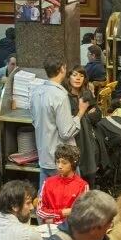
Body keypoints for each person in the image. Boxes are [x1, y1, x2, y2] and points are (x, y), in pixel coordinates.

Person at [31, 54, 88, 190]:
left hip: (43, 155)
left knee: (45, 197)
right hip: (61, 158)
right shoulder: (60, 96)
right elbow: (66, 132)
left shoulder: (36, 92)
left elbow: (34, 121)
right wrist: (80, 112)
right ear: (63, 69)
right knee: (71, 198)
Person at [64, 65, 101, 185]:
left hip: (87, 137)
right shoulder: (65, 97)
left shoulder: (86, 94)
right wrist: (84, 112)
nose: (78, 78)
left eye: (81, 75)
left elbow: (98, 114)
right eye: (74, 75)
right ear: (69, 77)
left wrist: (85, 117)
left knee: (89, 171)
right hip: (73, 137)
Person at [37, 144, 88, 224]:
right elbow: (40, 211)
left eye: (64, 163)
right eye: (57, 162)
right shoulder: (48, 182)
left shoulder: (83, 185)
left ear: (73, 164)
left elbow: (82, 214)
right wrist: (63, 213)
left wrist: (53, 219)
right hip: (50, 230)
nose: (59, 166)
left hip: (71, 230)